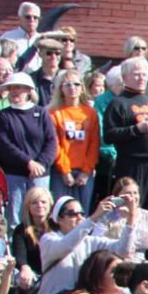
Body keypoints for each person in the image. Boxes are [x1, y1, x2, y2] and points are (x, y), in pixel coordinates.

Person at [20, 195, 134, 294]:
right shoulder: (48, 239)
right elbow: (66, 245)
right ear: (58, 219)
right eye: (72, 214)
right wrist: (94, 218)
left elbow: (123, 250)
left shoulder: (89, 241)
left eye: (82, 213)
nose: (79, 217)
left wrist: (131, 218)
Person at [103, 58, 148, 212]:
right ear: (125, 77)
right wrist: (136, 129)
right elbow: (109, 135)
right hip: (134, 164)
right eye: (136, 74)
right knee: (132, 208)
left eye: (144, 75)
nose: (141, 78)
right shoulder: (118, 103)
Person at [0, 71, 57, 225]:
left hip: (40, 174)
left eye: (19, 87)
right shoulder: (4, 115)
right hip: (14, 174)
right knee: (14, 218)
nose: (14, 91)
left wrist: (40, 164)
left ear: (29, 90)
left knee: (41, 217)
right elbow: (5, 144)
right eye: (11, 88)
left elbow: (51, 141)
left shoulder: (41, 113)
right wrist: (28, 162)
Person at [47, 67, 100, 212]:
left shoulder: (90, 113)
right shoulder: (53, 113)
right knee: (61, 212)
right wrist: (65, 171)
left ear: (82, 88)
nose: (72, 88)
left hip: (85, 172)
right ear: (61, 89)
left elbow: (94, 144)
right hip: (61, 172)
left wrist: (86, 171)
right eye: (67, 84)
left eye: (76, 84)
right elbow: (55, 144)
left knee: (83, 212)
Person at [11, 185, 54, 294]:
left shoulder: (57, 227)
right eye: (34, 203)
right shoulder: (21, 230)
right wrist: (25, 267)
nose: (40, 205)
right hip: (33, 274)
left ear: (50, 205)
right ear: (28, 207)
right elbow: (19, 255)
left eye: (43, 202)